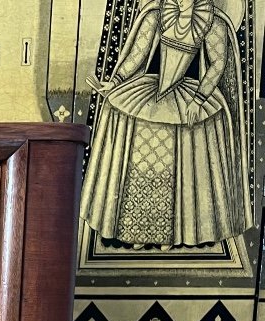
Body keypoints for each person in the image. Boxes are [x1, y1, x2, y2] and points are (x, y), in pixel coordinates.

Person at [80, 0, 252, 247]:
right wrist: (115, 81)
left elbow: (217, 65)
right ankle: (138, 231)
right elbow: (136, 56)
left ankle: (174, 235)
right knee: (141, 159)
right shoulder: (157, 14)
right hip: (152, 92)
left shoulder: (213, 21)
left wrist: (199, 98)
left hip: (190, 95)